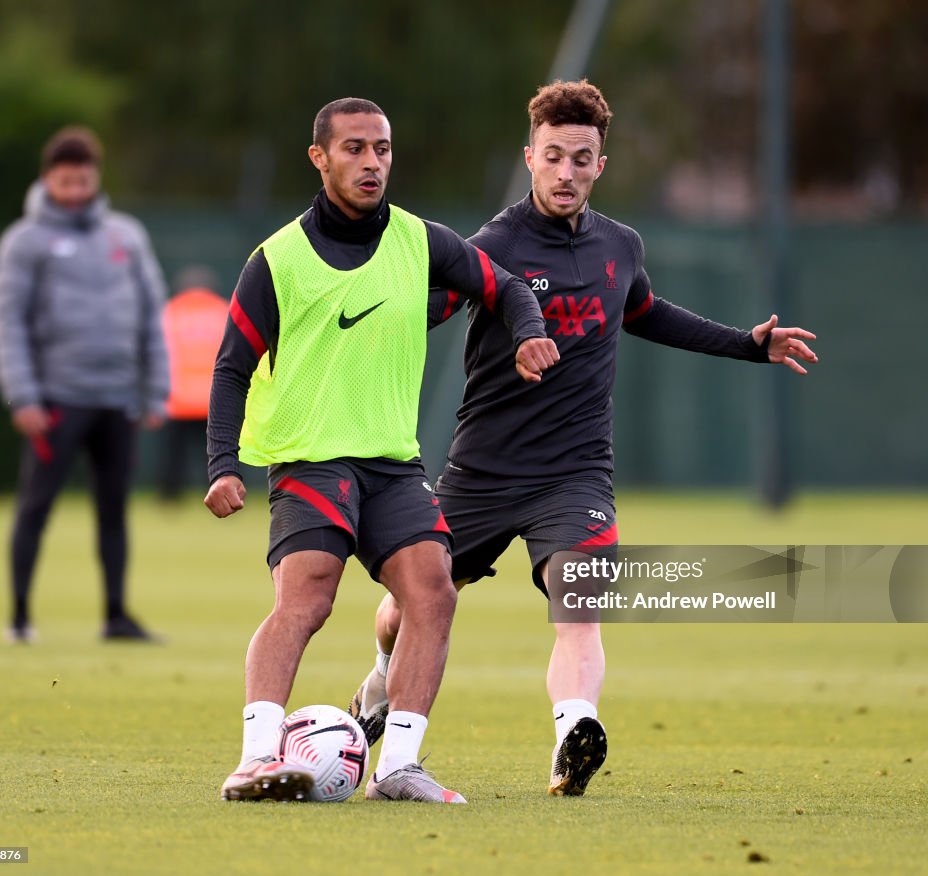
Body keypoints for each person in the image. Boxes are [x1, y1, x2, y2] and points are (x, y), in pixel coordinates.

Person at [350, 80, 819, 797]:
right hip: (481, 472)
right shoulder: (494, 245)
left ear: (601, 165)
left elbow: (649, 314)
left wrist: (747, 345)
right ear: (529, 158)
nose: (566, 172)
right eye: (553, 158)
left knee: (581, 595)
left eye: (581, 158)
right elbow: (425, 312)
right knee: (412, 606)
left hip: (575, 473)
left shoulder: (620, 246)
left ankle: (574, 730)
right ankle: (381, 679)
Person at [205, 97, 559, 804]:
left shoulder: (420, 241)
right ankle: (252, 759)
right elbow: (229, 367)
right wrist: (222, 465)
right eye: (356, 149)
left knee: (433, 591)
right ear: (321, 157)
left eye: (383, 150)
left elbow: (506, 285)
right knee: (308, 597)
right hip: (310, 459)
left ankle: (397, 767)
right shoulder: (276, 260)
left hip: (393, 464)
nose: (372, 163)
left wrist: (528, 332)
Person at [0, 126, 170, 644]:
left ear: (96, 179)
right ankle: (20, 617)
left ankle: (116, 615)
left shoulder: (126, 236)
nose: (74, 191)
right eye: (65, 182)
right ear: (48, 180)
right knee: (35, 507)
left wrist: (154, 389)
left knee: (114, 511)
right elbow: (8, 323)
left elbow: (150, 317)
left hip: (117, 399)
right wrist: (22, 394)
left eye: (83, 180)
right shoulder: (24, 241)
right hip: (56, 400)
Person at [158, 266, 229, 501]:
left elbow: (160, 353)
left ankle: (171, 496)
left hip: (178, 397)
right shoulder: (222, 311)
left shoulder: (170, 312)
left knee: (174, 455)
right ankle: (221, 491)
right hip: (214, 397)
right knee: (216, 453)